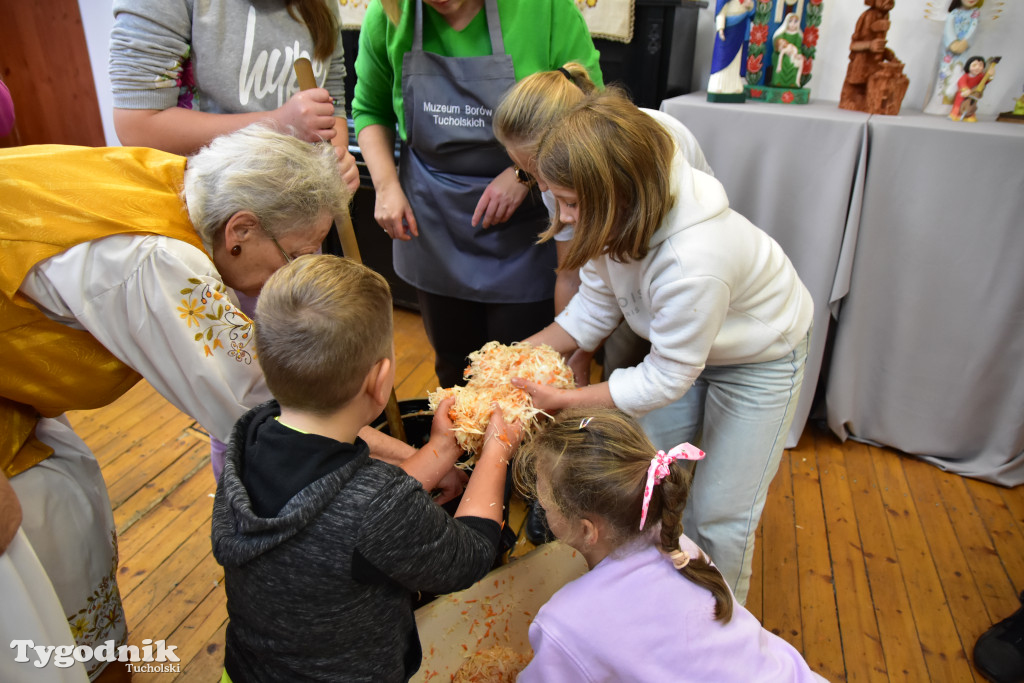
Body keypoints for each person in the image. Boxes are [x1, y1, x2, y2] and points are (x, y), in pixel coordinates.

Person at [0, 125, 462, 679]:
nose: (297, 272)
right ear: (241, 228)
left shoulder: (185, 183)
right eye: (296, 255)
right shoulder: (157, 262)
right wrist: (412, 463)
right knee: (49, 552)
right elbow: (281, 410)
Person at [513, 90, 814, 604]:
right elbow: (594, 307)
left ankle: (717, 627)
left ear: (617, 196)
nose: (561, 218)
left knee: (721, 513)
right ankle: (657, 596)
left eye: (569, 203)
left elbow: (666, 377)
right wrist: (520, 355)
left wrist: (564, 401)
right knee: (649, 478)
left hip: (760, 357)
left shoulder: (692, 260)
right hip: (683, 349)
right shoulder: (616, 212)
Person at [212, 254, 519, 682]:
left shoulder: (251, 433)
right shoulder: (375, 508)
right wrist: (497, 450)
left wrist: (440, 450)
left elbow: (340, 511)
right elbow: (467, 557)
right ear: (381, 380)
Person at [351, 0, 603, 388]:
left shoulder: (546, 9)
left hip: (527, 227)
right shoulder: (388, 16)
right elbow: (370, 108)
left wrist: (523, 173)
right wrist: (385, 186)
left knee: (522, 377)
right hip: (433, 222)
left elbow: (589, 107)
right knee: (455, 368)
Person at [512, 407, 828, 682]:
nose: (541, 508)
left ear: (587, 530)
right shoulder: (682, 547)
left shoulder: (565, 624)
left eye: (546, 503)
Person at [109, 0, 359, 192]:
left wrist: (336, 161)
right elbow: (137, 125)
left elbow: (331, 99)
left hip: (295, 214)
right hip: (203, 215)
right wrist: (277, 125)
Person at [923, 0, 985, 116]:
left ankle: (953, 106)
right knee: (945, 75)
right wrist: (952, 43)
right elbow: (948, 30)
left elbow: (973, 28)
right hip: (949, 52)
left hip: (963, 53)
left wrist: (965, 42)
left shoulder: (975, 13)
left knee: (958, 75)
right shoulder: (954, 13)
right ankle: (938, 105)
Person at [708, 0, 756, 101]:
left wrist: (750, 5)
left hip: (740, 28)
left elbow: (751, 12)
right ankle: (718, 85)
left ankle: (734, 86)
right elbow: (721, 11)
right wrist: (720, 28)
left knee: (736, 58)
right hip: (728, 29)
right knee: (722, 57)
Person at [771, 12, 806, 88]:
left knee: (795, 62)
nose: (793, 24)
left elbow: (798, 47)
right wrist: (782, 49)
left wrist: (798, 54)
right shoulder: (782, 33)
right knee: (785, 59)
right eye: (790, 21)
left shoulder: (798, 35)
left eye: (795, 22)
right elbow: (778, 43)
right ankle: (778, 81)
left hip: (793, 54)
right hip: (784, 53)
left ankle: (794, 82)